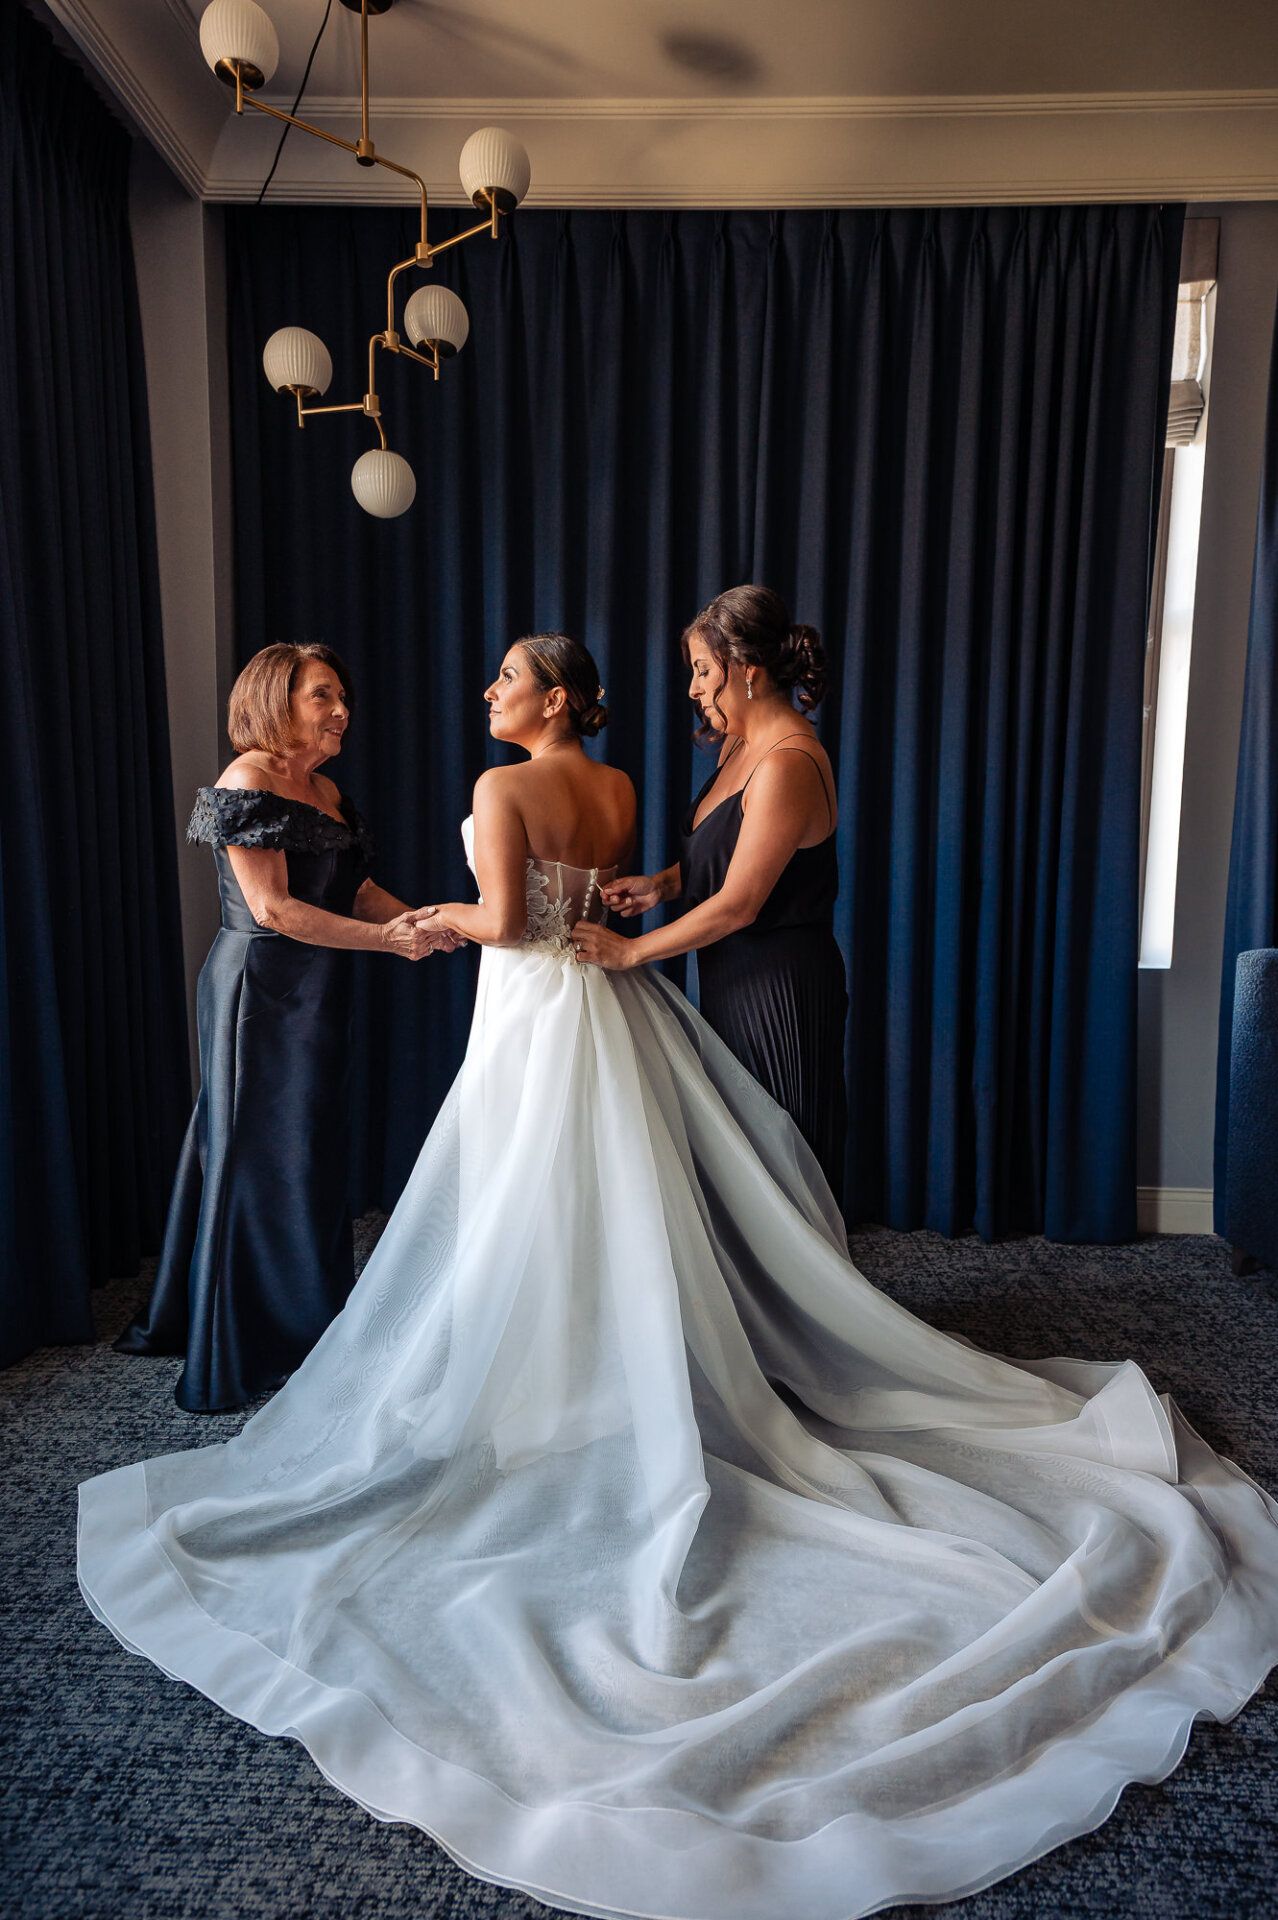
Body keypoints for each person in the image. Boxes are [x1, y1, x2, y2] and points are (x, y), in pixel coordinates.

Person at [80, 633, 1278, 1920]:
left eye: (504, 680)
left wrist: (436, 923)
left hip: (533, 1005)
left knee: (526, 1198)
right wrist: (474, 920)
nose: (487, 694)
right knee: (610, 1199)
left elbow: (509, 924)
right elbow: (587, 900)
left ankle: (541, 1385)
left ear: (549, 697)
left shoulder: (498, 789)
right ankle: (596, 1373)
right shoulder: (616, 786)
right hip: (604, 1004)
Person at [115, 643, 457, 1413]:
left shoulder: (326, 790)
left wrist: (425, 921)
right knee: (261, 1155)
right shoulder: (247, 780)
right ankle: (254, 1338)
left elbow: (355, 890)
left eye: (343, 697)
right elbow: (271, 909)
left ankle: (310, 1322)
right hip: (260, 990)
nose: (342, 711)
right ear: (277, 699)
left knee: (308, 1150)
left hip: (318, 989)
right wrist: (387, 941)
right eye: (323, 696)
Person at [577, 585, 848, 1197]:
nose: (694, 689)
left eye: (703, 671)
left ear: (747, 669)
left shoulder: (788, 762)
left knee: (786, 1164)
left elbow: (740, 902)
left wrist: (630, 951)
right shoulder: (738, 746)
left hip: (781, 989)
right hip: (730, 976)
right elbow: (731, 856)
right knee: (747, 1167)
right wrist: (661, 885)